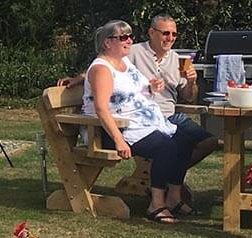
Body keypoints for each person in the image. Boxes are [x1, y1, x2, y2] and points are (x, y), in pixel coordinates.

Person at [81, 20, 197, 223]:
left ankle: (173, 197)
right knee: (166, 147)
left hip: (139, 122)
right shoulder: (102, 69)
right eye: (123, 37)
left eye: (130, 36)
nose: (129, 41)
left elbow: (134, 91)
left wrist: (152, 87)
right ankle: (156, 204)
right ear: (107, 43)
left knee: (185, 140)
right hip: (109, 131)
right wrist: (119, 141)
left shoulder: (124, 63)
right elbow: (101, 109)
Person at [126, 14, 220, 166]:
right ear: (151, 33)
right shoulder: (133, 53)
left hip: (170, 116)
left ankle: (169, 171)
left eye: (174, 34)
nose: (170, 38)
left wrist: (191, 82)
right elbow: (110, 72)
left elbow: (189, 98)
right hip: (143, 118)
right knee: (177, 146)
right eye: (166, 33)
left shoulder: (178, 60)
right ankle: (169, 174)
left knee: (209, 142)